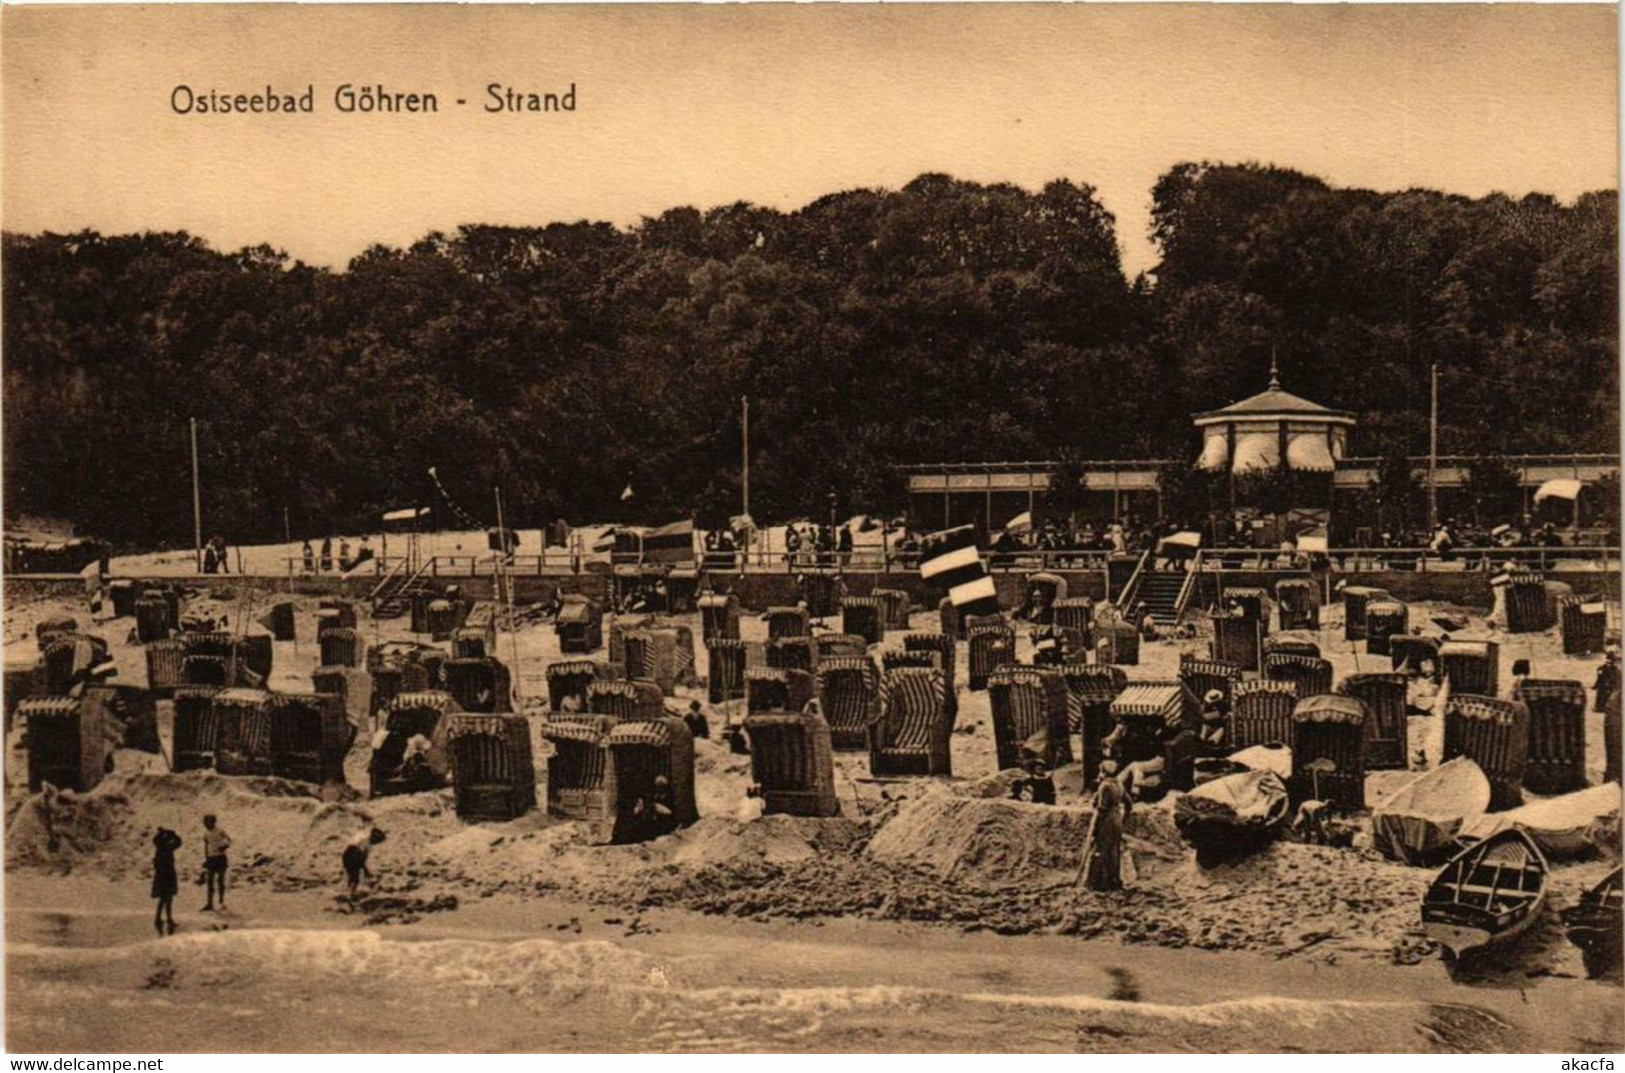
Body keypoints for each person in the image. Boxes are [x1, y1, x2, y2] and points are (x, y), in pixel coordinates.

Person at [1080, 769, 1130, 892]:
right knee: (1114, 852)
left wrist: (1095, 828)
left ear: (1104, 773)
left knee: (1101, 850)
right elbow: (1129, 804)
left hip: (1106, 820)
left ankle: (1099, 884)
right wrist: (1122, 819)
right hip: (1116, 818)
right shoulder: (1119, 784)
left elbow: (1102, 809)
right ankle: (1114, 880)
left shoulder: (1105, 786)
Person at [151, 826, 183, 936]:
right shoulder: (168, 848)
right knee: (168, 899)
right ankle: (166, 918)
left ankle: (160, 918)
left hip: (161, 876)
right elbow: (179, 842)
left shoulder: (159, 847)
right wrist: (173, 834)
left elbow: (155, 840)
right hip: (168, 876)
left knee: (163, 899)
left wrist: (162, 833)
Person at [342, 826, 385, 897]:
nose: (377, 843)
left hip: (350, 856)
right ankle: (350, 894)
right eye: (377, 841)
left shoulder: (368, 846)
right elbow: (356, 851)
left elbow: (362, 861)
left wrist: (367, 873)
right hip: (351, 855)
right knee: (354, 877)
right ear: (374, 836)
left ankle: (350, 893)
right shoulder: (363, 838)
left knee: (354, 879)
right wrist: (367, 873)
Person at [200, 813, 231, 912]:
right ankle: (209, 904)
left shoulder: (220, 831)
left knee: (220, 881)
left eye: (207, 821)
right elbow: (206, 846)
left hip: (220, 858)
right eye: (204, 822)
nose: (205, 824)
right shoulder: (205, 833)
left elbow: (229, 840)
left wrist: (224, 847)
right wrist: (206, 859)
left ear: (213, 822)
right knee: (210, 882)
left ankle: (221, 902)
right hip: (211, 859)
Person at [1594, 647, 1620, 713]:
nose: (1609, 662)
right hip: (1603, 685)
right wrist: (1595, 685)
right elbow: (1599, 678)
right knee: (1601, 695)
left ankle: (1602, 707)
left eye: (1610, 661)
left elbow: (1616, 679)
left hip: (1609, 685)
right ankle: (1600, 707)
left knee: (1606, 696)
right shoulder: (1601, 668)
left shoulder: (1615, 670)